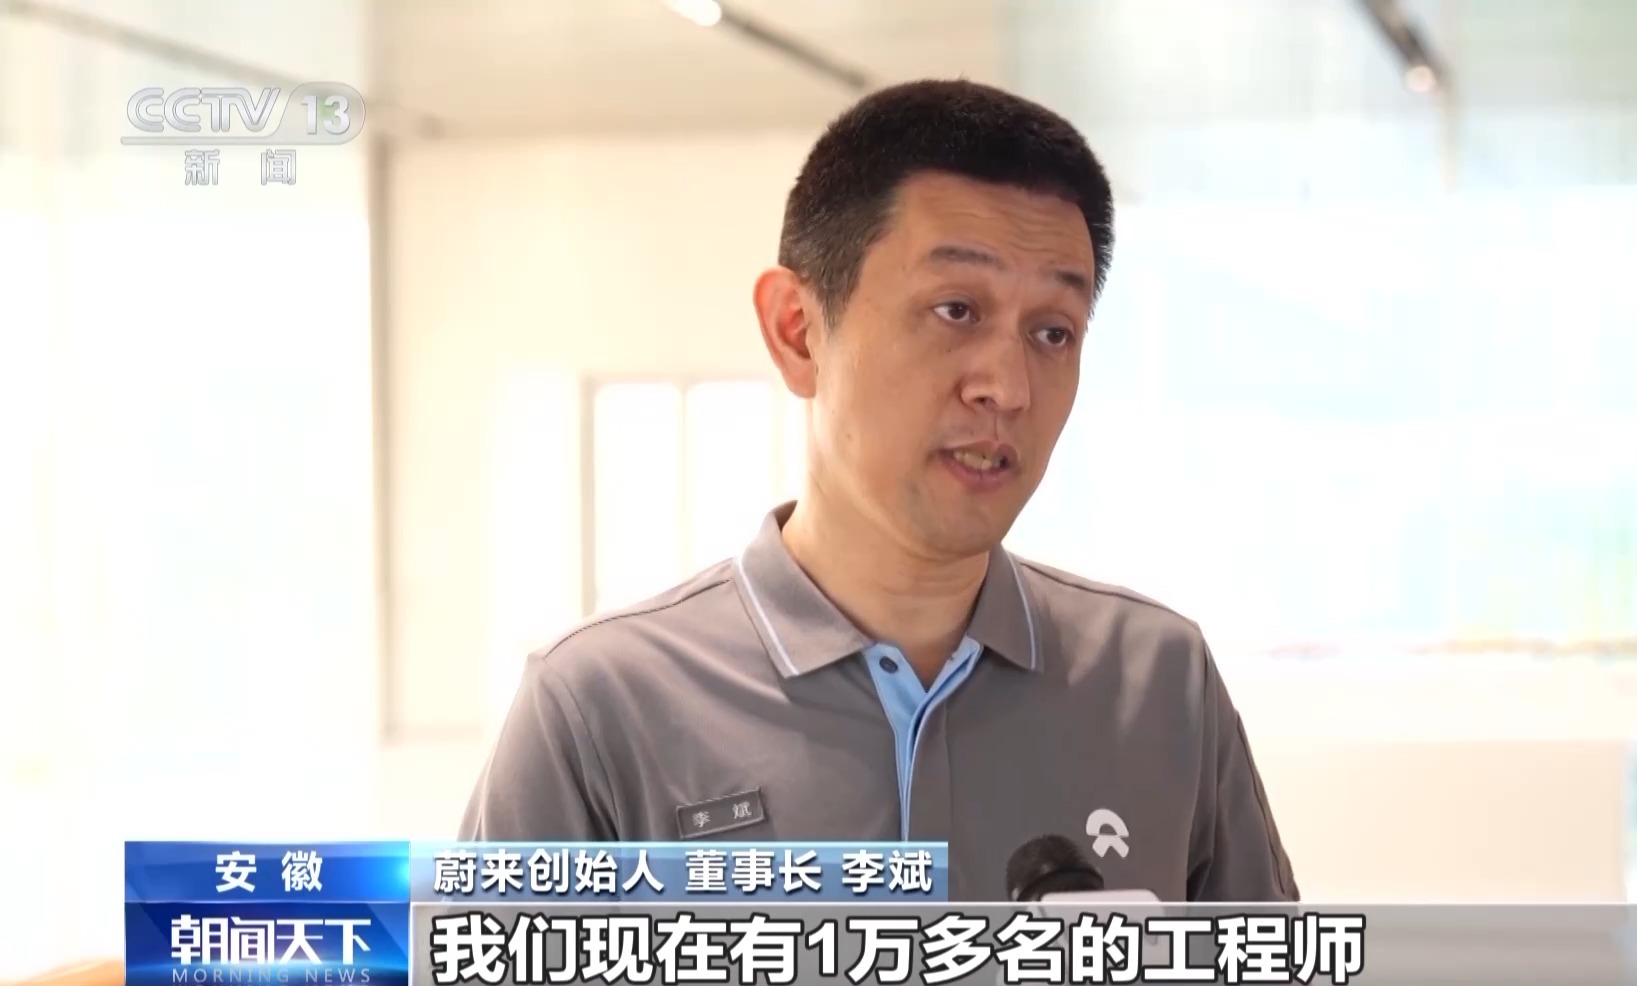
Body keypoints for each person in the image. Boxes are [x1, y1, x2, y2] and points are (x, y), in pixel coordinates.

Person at [460, 78, 1299, 902]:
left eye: (1053, 332)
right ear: (798, 332)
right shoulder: (600, 708)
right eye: (956, 310)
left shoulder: (1159, 684)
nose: (1007, 387)